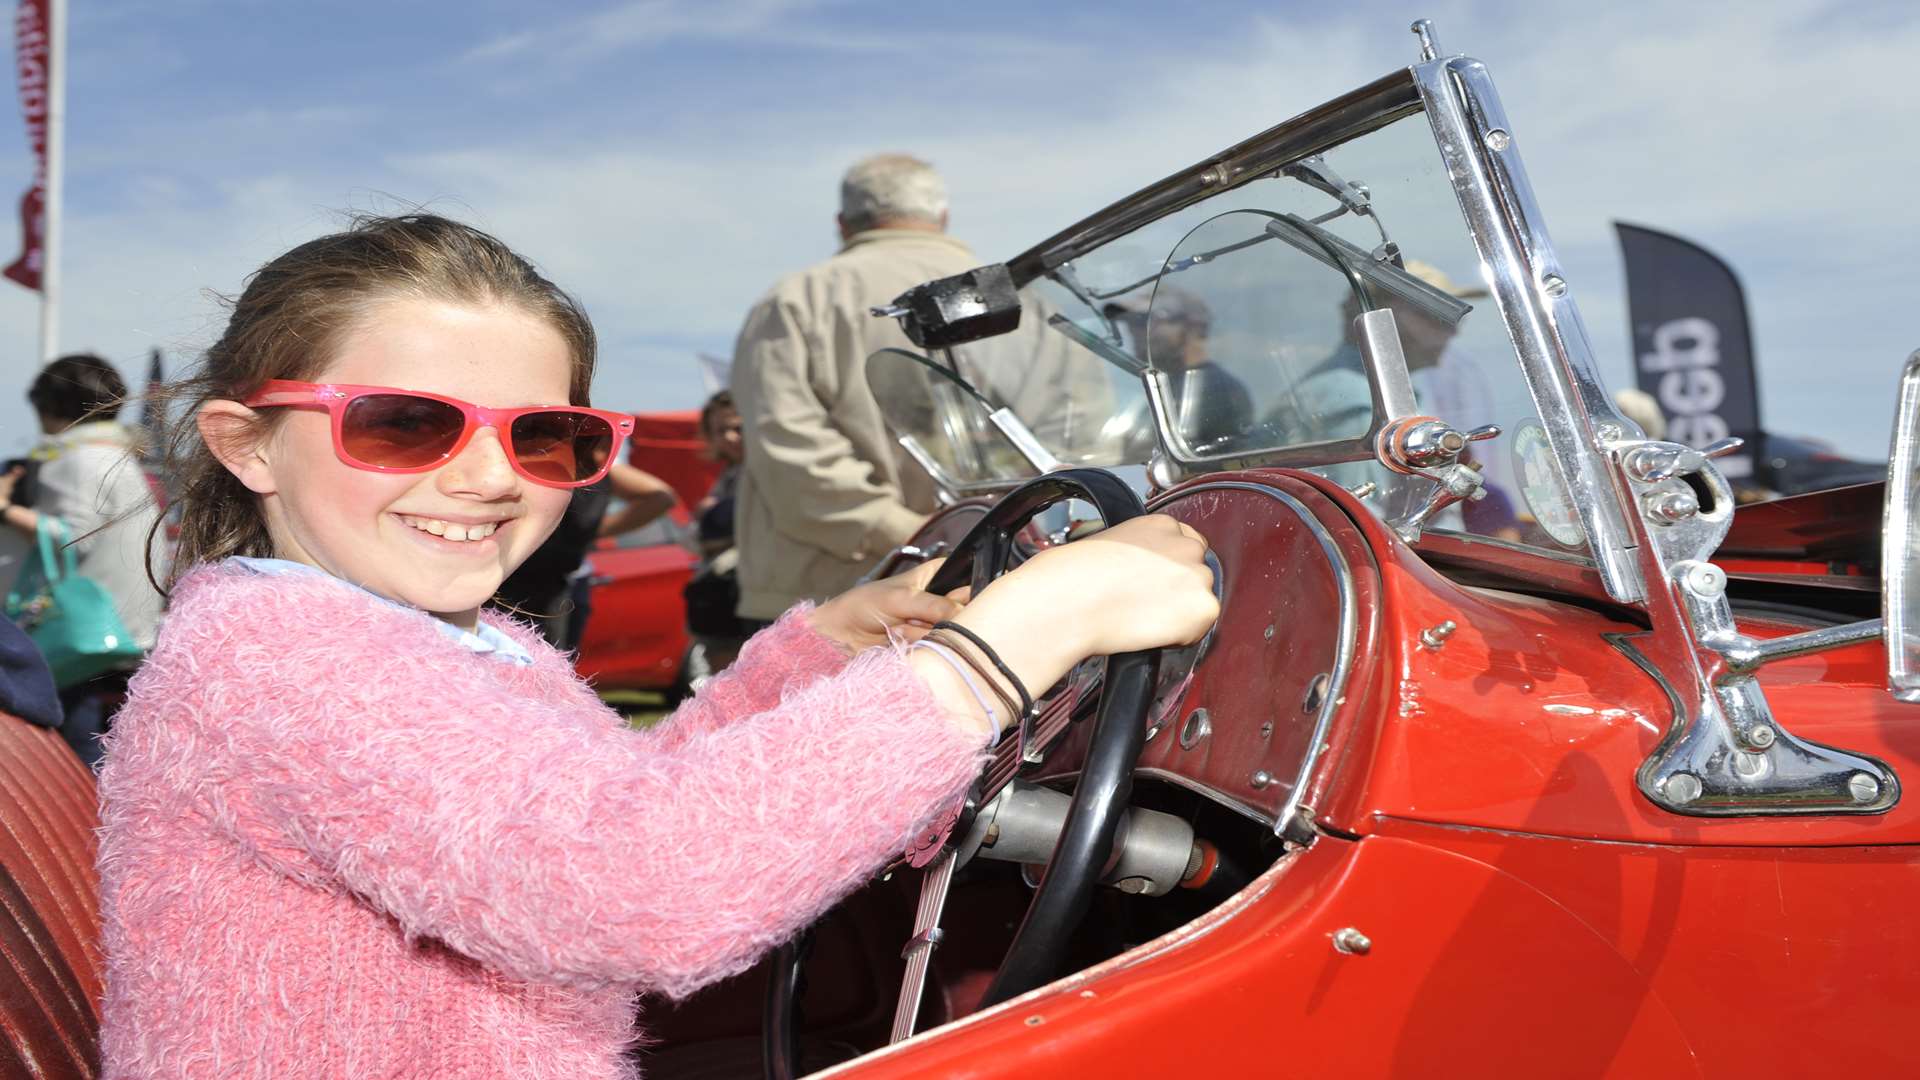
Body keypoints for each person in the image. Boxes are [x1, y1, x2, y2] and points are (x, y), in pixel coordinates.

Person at [95, 213, 1219, 1078]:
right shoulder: (286, 662)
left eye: (546, 435)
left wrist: (821, 648)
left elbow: (619, 797)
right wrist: (1013, 643)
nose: (489, 477)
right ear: (247, 445)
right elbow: (636, 890)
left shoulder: (427, 639)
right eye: (404, 423)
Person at [729, 153, 978, 628]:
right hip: (994, 588)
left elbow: (789, 447)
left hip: (831, 597)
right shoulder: (1019, 301)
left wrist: (912, 534)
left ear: (843, 224)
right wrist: (973, 540)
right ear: (942, 218)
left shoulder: (794, 300)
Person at [0, 353, 168, 766]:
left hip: (86, 637)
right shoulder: (115, 454)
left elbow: (73, 538)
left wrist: (4, 509)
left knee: (73, 757)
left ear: (51, 407)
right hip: (128, 627)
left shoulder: (75, 461)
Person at [489, 458, 676, 650]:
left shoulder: (600, 469)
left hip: (546, 590)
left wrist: (595, 531)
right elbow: (661, 496)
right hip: (527, 587)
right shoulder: (583, 467)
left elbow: (662, 496)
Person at [682, 390, 749, 682]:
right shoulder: (730, 473)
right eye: (721, 430)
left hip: (746, 592)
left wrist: (713, 515)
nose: (730, 438)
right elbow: (698, 536)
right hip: (724, 595)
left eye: (738, 428)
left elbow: (723, 524)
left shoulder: (761, 472)